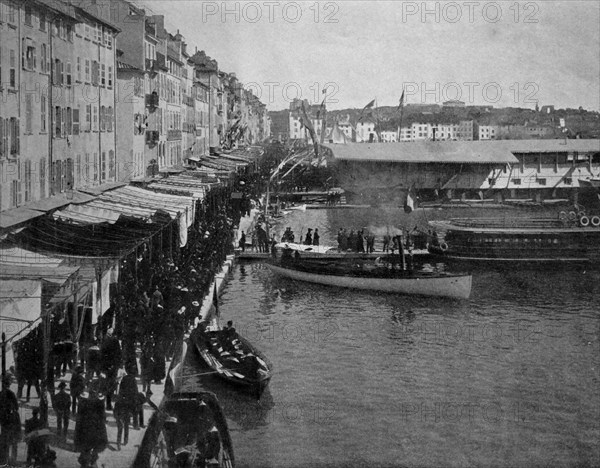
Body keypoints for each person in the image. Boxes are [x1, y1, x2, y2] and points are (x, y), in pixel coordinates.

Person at [74, 389, 108, 468]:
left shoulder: (84, 404)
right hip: (94, 434)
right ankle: (92, 462)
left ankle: (88, 462)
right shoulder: (98, 405)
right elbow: (102, 415)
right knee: (92, 453)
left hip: (86, 434)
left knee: (86, 453)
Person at [0, 376, 21, 465]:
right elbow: (16, 407)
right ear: (9, 384)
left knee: (4, 442)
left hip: (3, 422)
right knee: (14, 442)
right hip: (11, 421)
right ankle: (13, 460)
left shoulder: (0, 394)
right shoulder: (11, 394)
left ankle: (4, 459)